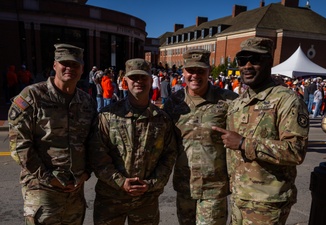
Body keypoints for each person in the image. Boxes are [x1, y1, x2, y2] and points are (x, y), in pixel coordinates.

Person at [212, 37, 309, 225]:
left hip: (267, 202)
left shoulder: (286, 100)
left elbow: (296, 151)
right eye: (242, 61)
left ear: (268, 62)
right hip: (239, 198)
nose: (247, 66)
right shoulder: (238, 102)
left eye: (255, 60)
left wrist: (243, 143)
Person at [8, 43, 97, 224]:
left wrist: (87, 173)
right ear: (54, 65)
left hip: (75, 191)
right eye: (64, 63)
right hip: (42, 190)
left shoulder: (86, 101)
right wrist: (49, 178)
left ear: (82, 70)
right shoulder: (31, 96)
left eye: (75, 65)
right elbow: (19, 146)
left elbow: (93, 142)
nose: (69, 68)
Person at [88, 58, 177, 225]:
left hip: (146, 201)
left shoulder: (162, 119)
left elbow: (169, 156)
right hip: (111, 199)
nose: (139, 82)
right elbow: (97, 156)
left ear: (151, 81)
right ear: (125, 81)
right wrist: (121, 182)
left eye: (143, 77)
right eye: (134, 77)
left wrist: (151, 184)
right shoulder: (108, 116)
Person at [163, 49, 238, 225]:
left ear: (208, 71)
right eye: (191, 70)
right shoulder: (174, 103)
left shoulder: (228, 101)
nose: (195, 75)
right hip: (185, 187)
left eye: (200, 71)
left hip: (214, 188)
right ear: (183, 72)